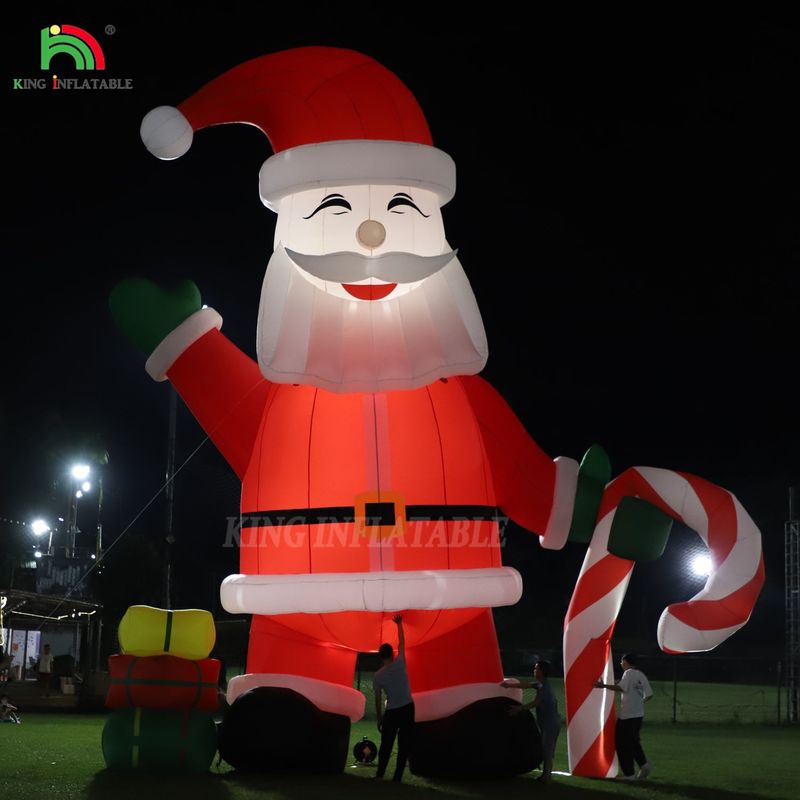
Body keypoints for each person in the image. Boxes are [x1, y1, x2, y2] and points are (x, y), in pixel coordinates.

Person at [594, 653, 653, 780]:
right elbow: (649, 694)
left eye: (621, 662)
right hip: (638, 716)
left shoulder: (628, 673)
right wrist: (638, 703)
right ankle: (644, 765)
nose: (621, 664)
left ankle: (629, 773)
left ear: (625, 662)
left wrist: (603, 686)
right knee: (634, 742)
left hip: (627, 717)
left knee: (622, 744)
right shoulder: (640, 674)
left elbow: (620, 687)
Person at [501, 660, 560, 783]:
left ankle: (546, 776)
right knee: (546, 748)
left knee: (547, 749)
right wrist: (509, 685)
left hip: (550, 723)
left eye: (537, 668)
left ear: (542, 671)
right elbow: (526, 685)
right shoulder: (541, 684)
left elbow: (536, 703)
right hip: (547, 722)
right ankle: (546, 775)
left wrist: (519, 709)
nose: (534, 670)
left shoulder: (545, 687)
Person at [372, 615, 415, 782]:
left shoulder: (378, 676)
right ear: (392, 653)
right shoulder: (400, 662)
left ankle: (380, 775)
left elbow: (377, 699)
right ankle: (397, 778)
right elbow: (402, 643)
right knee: (404, 744)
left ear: (381, 656)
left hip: (391, 713)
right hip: (407, 708)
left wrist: (379, 718)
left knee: (386, 745)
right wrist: (399, 624)